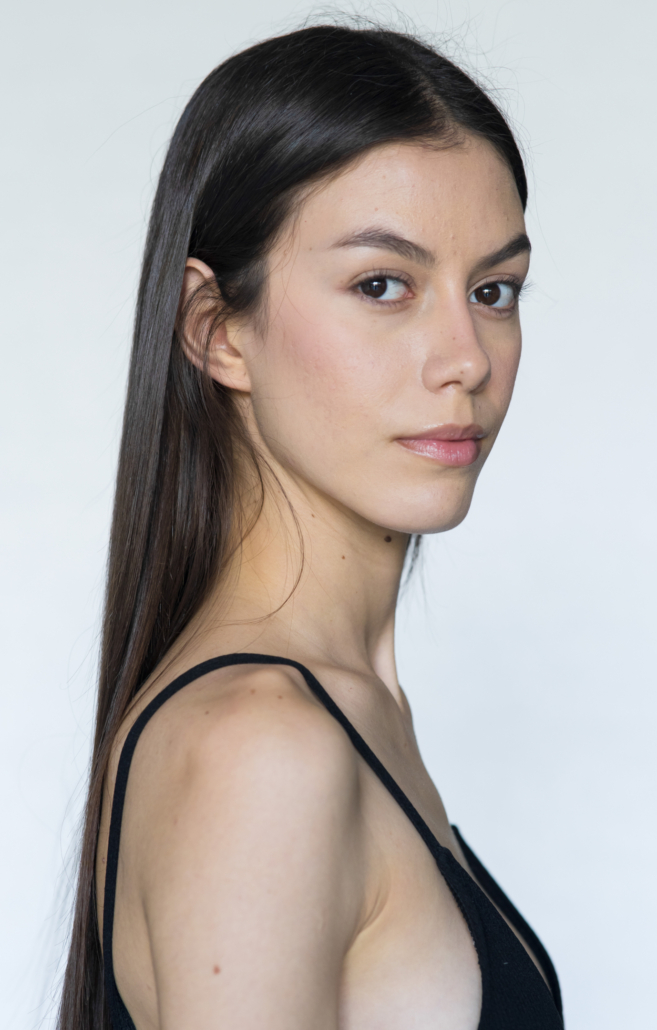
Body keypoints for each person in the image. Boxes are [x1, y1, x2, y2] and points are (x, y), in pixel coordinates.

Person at [58, 23, 564, 1030]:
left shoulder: (348, 711)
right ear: (218, 330)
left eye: (492, 290)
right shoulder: (263, 747)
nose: (466, 357)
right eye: (383, 285)